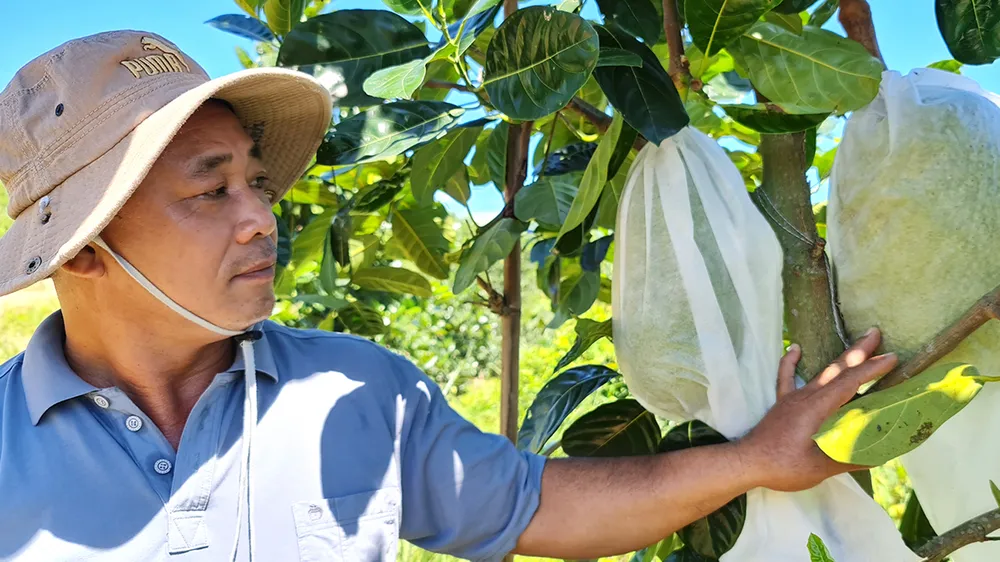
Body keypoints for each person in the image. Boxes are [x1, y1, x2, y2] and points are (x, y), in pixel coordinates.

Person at [0, 30, 897, 562]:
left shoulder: (357, 393)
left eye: (257, 183)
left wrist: (759, 458)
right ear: (83, 251)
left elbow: (537, 505)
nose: (260, 219)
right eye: (210, 191)